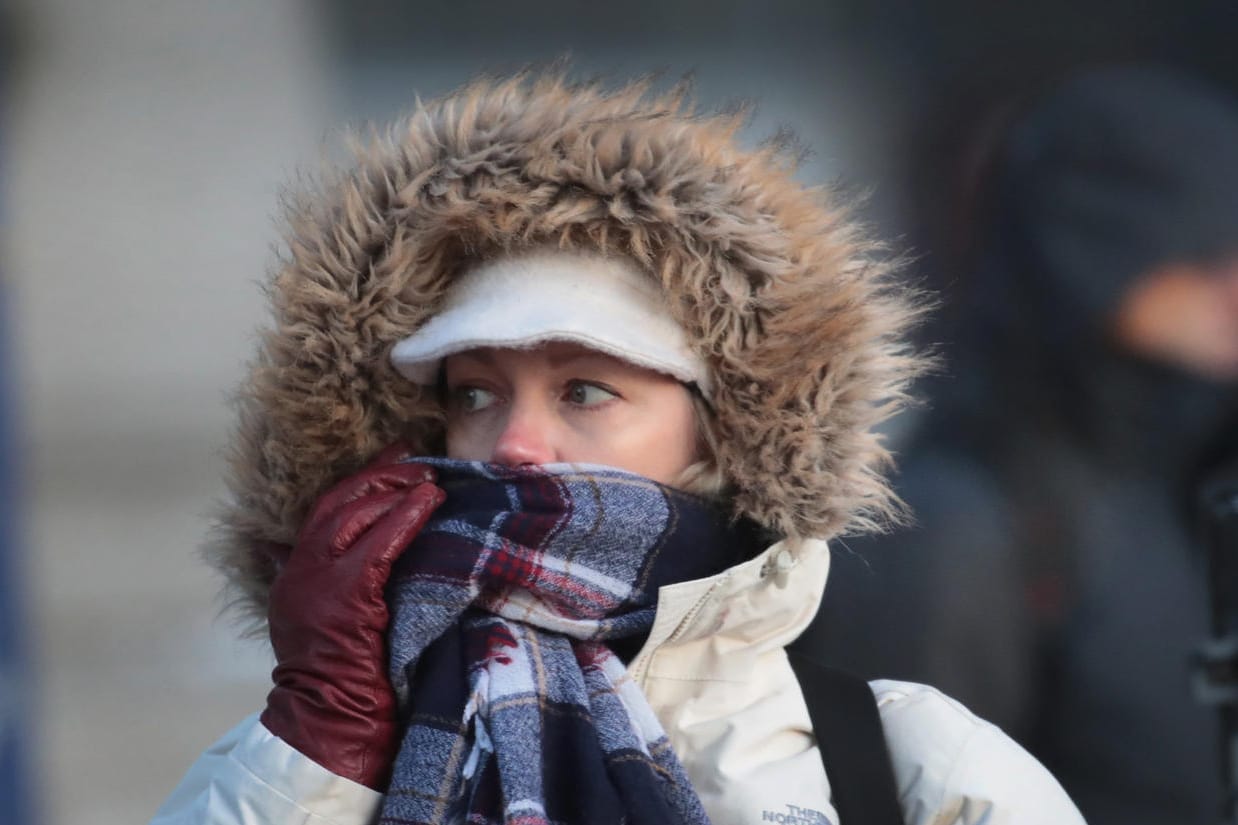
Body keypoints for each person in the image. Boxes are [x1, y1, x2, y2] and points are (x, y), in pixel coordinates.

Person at [151, 72, 1083, 824]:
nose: (513, 444)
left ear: (727, 425)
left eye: (585, 389)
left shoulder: (910, 764)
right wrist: (321, 749)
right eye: (474, 392)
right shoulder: (305, 755)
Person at [805, 66, 1238, 825]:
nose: (1232, 285)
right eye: (1204, 249)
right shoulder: (959, 526)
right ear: (1091, 252)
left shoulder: (1194, 486)